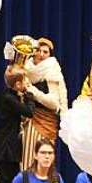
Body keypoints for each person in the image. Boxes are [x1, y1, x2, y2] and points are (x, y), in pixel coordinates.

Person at [19, 37, 66, 171]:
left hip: (45, 121)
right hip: (29, 121)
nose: (41, 54)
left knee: (44, 161)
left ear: (50, 55)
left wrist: (33, 91)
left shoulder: (52, 71)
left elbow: (54, 103)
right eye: (38, 50)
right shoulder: (26, 69)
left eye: (45, 52)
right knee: (27, 160)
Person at [0, 66, 36, 183]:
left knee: (11, 177)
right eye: (25, 81)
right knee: (7, 180)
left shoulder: (11, 95)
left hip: (11, 145)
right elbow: (28, 112)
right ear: (17, 84)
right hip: (6, 147)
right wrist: (29, 95)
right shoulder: (8, 98)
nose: (27, 83)